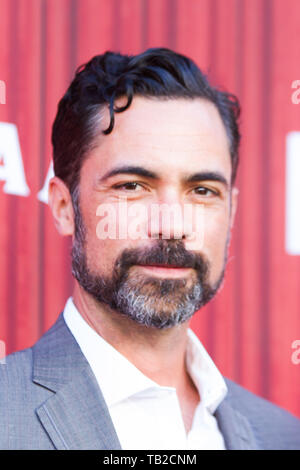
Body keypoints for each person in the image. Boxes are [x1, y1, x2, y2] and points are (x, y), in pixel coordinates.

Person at [1, 48, 300, 451]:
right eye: (131, 186)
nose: (172, 226)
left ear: (231, 212)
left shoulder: (282, 436)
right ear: (62, 207)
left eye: (202, 191)